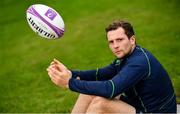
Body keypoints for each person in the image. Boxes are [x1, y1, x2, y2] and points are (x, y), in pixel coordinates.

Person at [47, 20, 177, 113]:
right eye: (111, 42)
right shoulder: (125, 57)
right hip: (139, 105)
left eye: (120, 40)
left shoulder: (139, 62)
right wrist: (70, 74)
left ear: (132, 40)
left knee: (100, 104)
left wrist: (69, 83)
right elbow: (100, 74)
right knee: (88, 94)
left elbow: (111, 89)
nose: (115, 46)